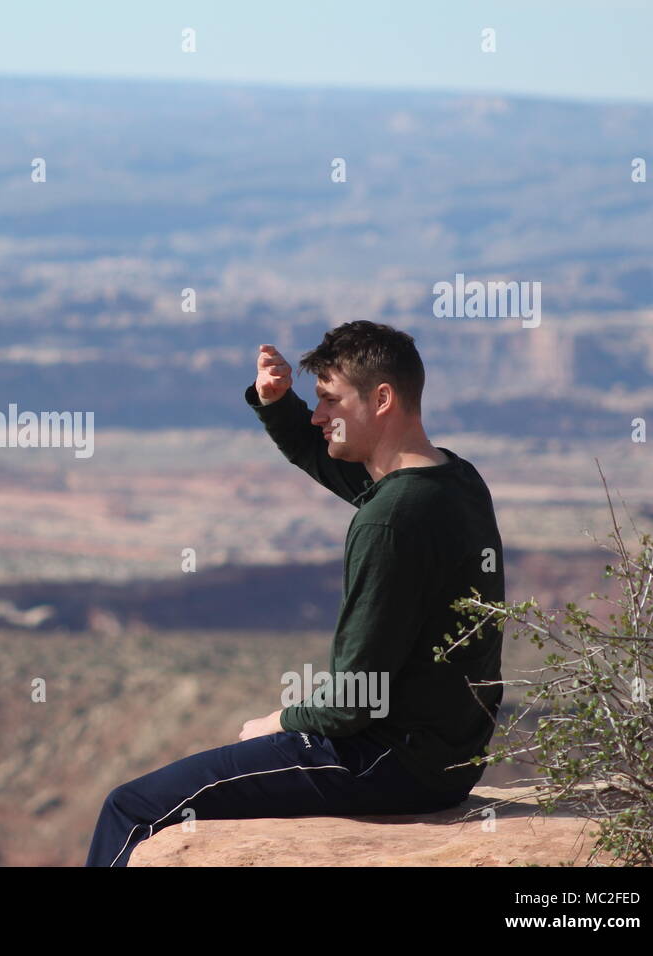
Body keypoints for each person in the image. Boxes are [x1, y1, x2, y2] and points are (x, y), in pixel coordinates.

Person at [84, 320, 505, 867]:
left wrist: (277, 723)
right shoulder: (454, 480)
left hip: (387, 763)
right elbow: (346, 472)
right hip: (447, 762)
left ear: (382, 399)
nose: (317, 415)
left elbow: (354, 699)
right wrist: (278, 404)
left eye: (330, 401)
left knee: (133, 809)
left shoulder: (389, 523)